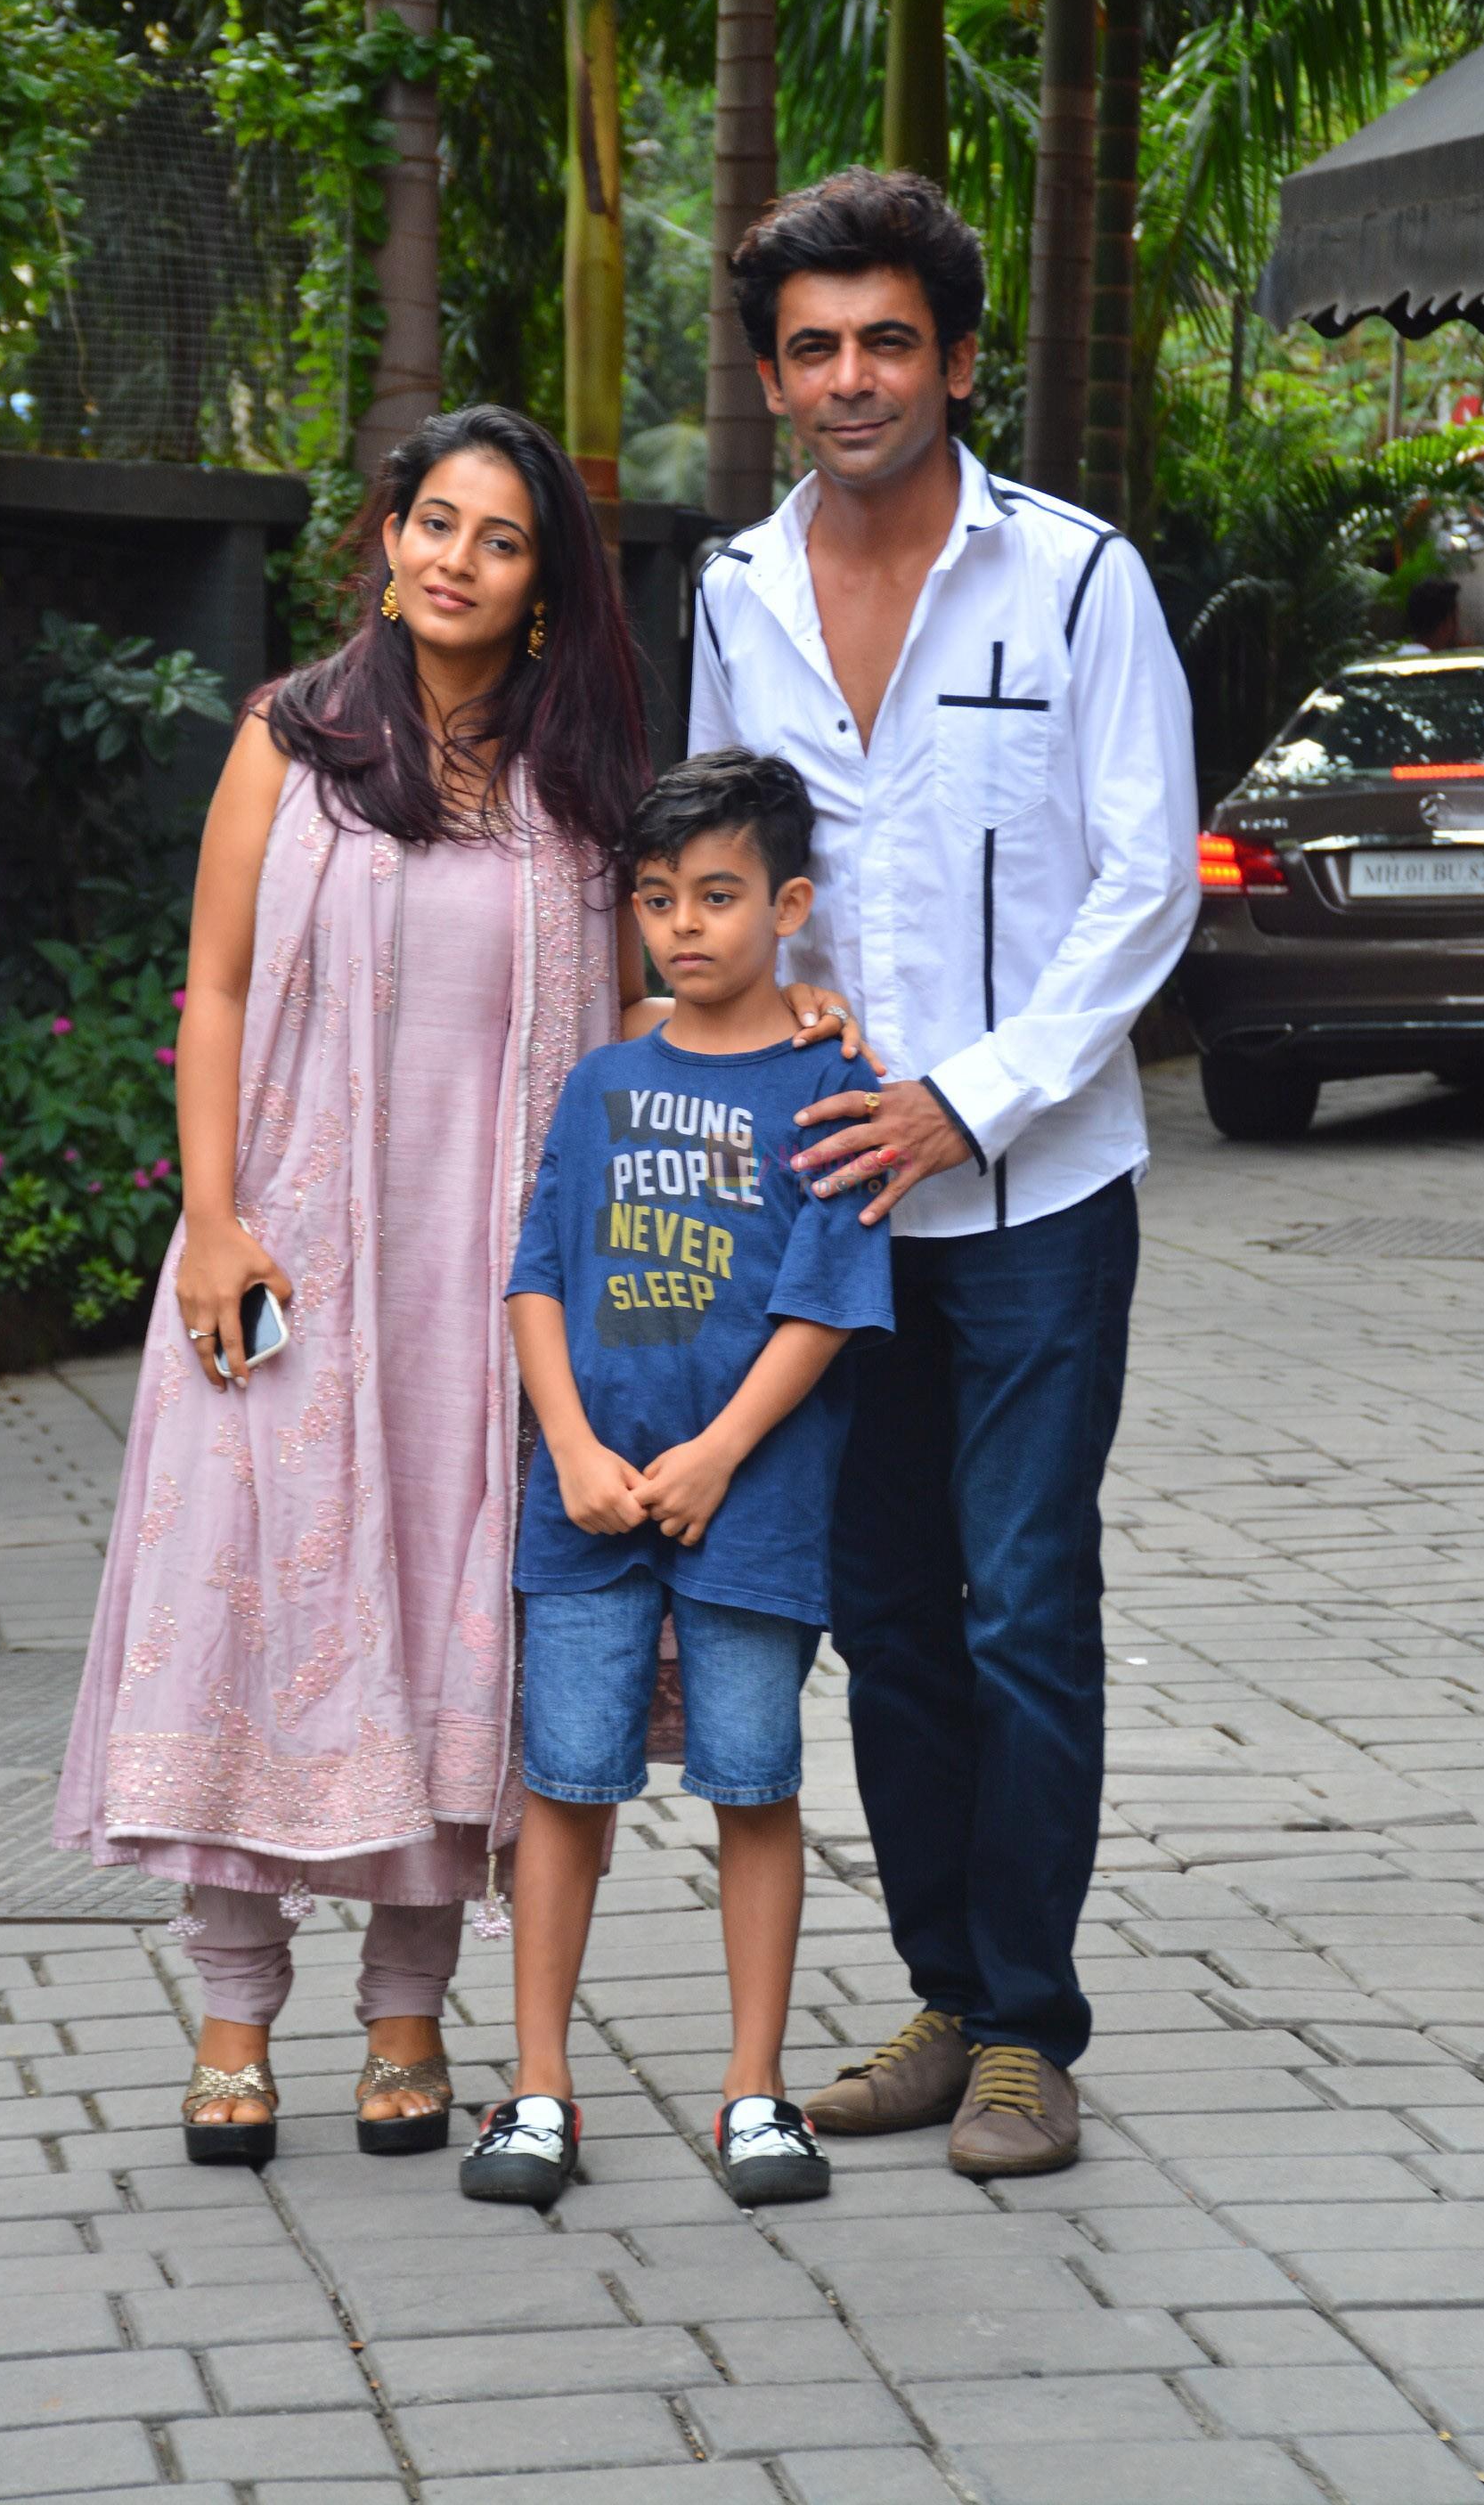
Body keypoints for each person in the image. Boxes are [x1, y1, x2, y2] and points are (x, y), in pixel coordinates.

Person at [54, 407, 860, 2168]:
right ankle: (233, 2007)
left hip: (490, 1291)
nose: (454, 560)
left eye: (498, 538)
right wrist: (208, 1219)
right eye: (434, 522)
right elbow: (215, 983)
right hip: (284, 1260)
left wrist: (779, 1011)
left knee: (445, 1630)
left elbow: (643, 995)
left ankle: (408, 2014)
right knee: (250, 1609)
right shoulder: (293, 736)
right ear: (387, 537)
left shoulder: (579, 788)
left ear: (545, 583)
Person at [690, 167, 1198, 2180]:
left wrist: (966, 1095)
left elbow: (1144, 881)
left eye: (885, 337)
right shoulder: (733, 592)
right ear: (768, 376)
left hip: (1035, 1194)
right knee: (883, 1614)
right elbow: (739, 872)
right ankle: (944, 1995)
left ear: (957, 358)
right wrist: (768, 1020)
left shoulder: (1075, 580)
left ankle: (1030, 2028)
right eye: (809, 346)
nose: (848, 377)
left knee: (1015, 1606)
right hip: (834, 1193)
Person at [460, 748, 893, 2212]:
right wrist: (573, 1448)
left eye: (718, 896)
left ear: (789, 906)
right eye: (657, 901)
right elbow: (532, 1280)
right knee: (564, 1786)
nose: (684, 927)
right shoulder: (600, 1082)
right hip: (582, 1509)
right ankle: (536, 2091)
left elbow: (830, 1300)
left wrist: (716, 1455)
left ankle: (757, 2093)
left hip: (752, 1506)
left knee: (751, 1781)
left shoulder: (832, 1084)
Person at [1398, 575, 1462, 654]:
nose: (1457, 627)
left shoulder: (1398, 657)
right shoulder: (1435, 664)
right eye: (1455, 619)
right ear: (1444, 625)